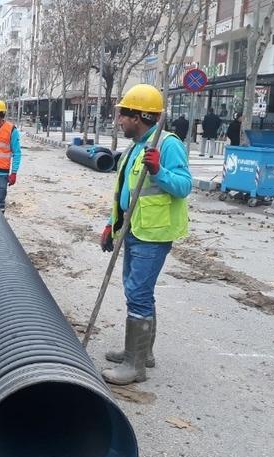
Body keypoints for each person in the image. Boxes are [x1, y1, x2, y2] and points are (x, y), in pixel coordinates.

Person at [99, 84, 192, 386]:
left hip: (154, 232)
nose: (119, 121)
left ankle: (134, 364)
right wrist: (111, 225)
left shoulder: (167, 144)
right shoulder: (136, 146)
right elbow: (124, 192)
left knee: (137, 293)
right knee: (137, 291)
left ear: (139, 116)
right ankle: (142, 352)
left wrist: (159, 171)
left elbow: (183, 186)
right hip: (133, 228)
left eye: (123, 115)